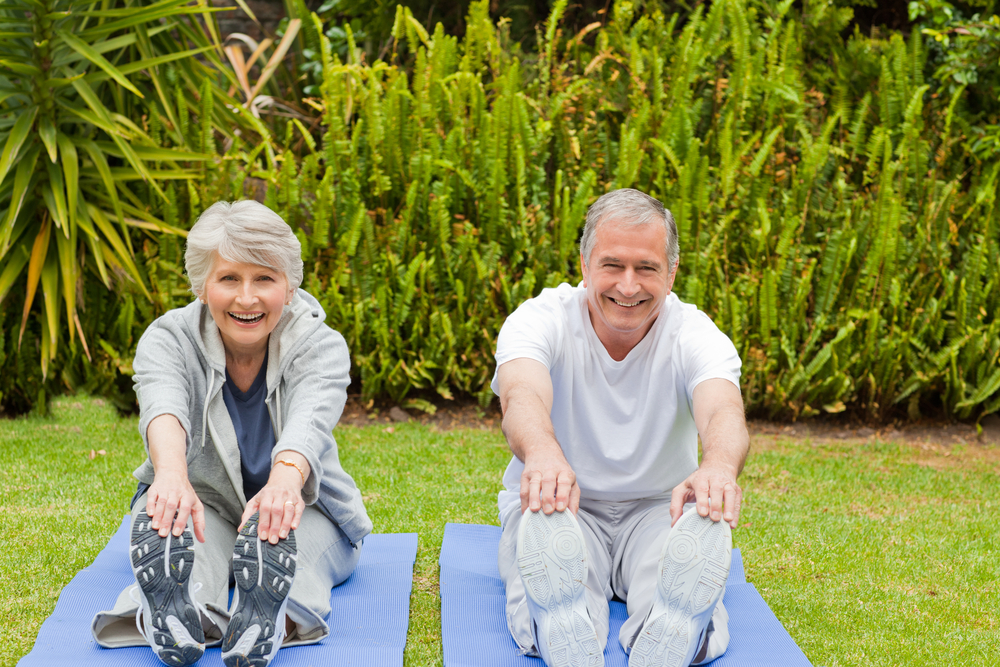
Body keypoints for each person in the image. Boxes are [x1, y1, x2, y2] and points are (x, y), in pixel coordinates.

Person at [91, 200, 372, 667]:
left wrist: (283, 486)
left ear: (290, 285)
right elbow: (163, 407)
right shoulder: (167, 338)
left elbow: (309, 419)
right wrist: (171, 475)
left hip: (304, 504)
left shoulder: (321, 345)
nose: (247, 298)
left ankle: (266, 622)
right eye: (229, 279)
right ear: (202, 286)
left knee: (290, 552)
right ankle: (183, 616)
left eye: (264, 279)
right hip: (204, 501)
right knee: (187, 545)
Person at [492, 188, 749, 667]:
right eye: (613, 266)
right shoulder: (538, 319)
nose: (628, 286)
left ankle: (672, 633)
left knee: (676, 585)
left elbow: (722, 410)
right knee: (547, 562)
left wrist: (717, 467)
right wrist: (544, 453)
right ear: (585, 264)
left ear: (671, 273)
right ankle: (565, 631)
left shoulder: (695, 333)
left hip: (659, 508)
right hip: (561, 502)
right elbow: (521, 394)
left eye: (646, 268)